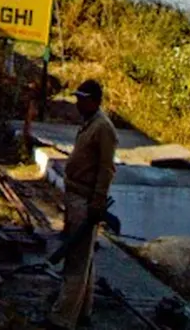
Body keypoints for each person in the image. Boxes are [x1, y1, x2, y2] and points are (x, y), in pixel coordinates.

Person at [46, 79, 117, 330]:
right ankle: (82, 310)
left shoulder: (103, 128)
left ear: (95, 101)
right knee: (84, 256)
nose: (78, 103)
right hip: (75, 195)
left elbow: (106, 168)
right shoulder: (90, 124)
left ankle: (63, 316)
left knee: (75, 258)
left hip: (85, 199)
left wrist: (97, 203)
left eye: (82, 98)